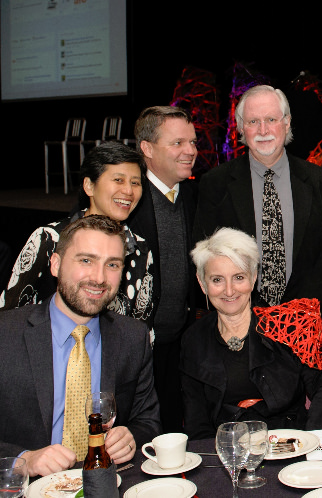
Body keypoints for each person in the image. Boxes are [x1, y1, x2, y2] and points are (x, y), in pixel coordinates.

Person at [0, 215, 161, 477]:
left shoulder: (133, 337)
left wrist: (131, 437)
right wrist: (24, 460)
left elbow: (148, 421)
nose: (99, 278)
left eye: (112, 264)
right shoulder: (5, 335)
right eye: (86, 260)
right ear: (55, 264)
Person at [179, 228, 322, 439]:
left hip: (290, 442)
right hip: (229, 449)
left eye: (239, 277)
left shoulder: (290, 326)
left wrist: (310, 441)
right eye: (217, 280)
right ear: (202, 283)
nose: (229, 291)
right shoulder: (193, 339)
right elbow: (197, 419)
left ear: (254, 277)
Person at [193, 85, 322, 318]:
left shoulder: (320, 182)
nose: (263, 130)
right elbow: (206, 251)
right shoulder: (215, 183)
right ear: (241, 127)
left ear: (287, 122)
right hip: (238, 317)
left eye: (271, 119)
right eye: (253, 122)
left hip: (305, 318)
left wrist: (299, 308)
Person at [0, 142, 155, 323]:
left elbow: (142, 325)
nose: (128, 191)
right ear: (89, 186)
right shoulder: (49, 238)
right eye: (118, 180)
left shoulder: (140, 248)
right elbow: (9, 313)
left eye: (135, 182)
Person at [130, 105, 199, 433]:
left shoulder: (195, 195)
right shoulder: (125, 199)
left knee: (176, 425)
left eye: (193, 142)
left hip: (182, 337)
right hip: (138, 345)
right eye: (178, 143)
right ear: (147, 148)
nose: (190, 151)